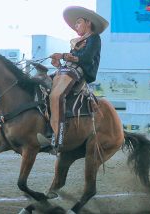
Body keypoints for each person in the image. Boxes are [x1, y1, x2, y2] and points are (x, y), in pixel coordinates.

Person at [37, 6, 109, 150]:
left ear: (88, 23)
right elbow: (71, 59)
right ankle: (43, 127)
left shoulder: (94, 38)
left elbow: (86, 59)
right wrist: (59, 63)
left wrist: (63, 56)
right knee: (39, 85)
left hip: (79, 72)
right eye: (75, 24)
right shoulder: (78, 41)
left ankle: (58, 138)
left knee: (56, 96)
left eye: (78, 23)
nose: (76, 27)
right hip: (67, 71)